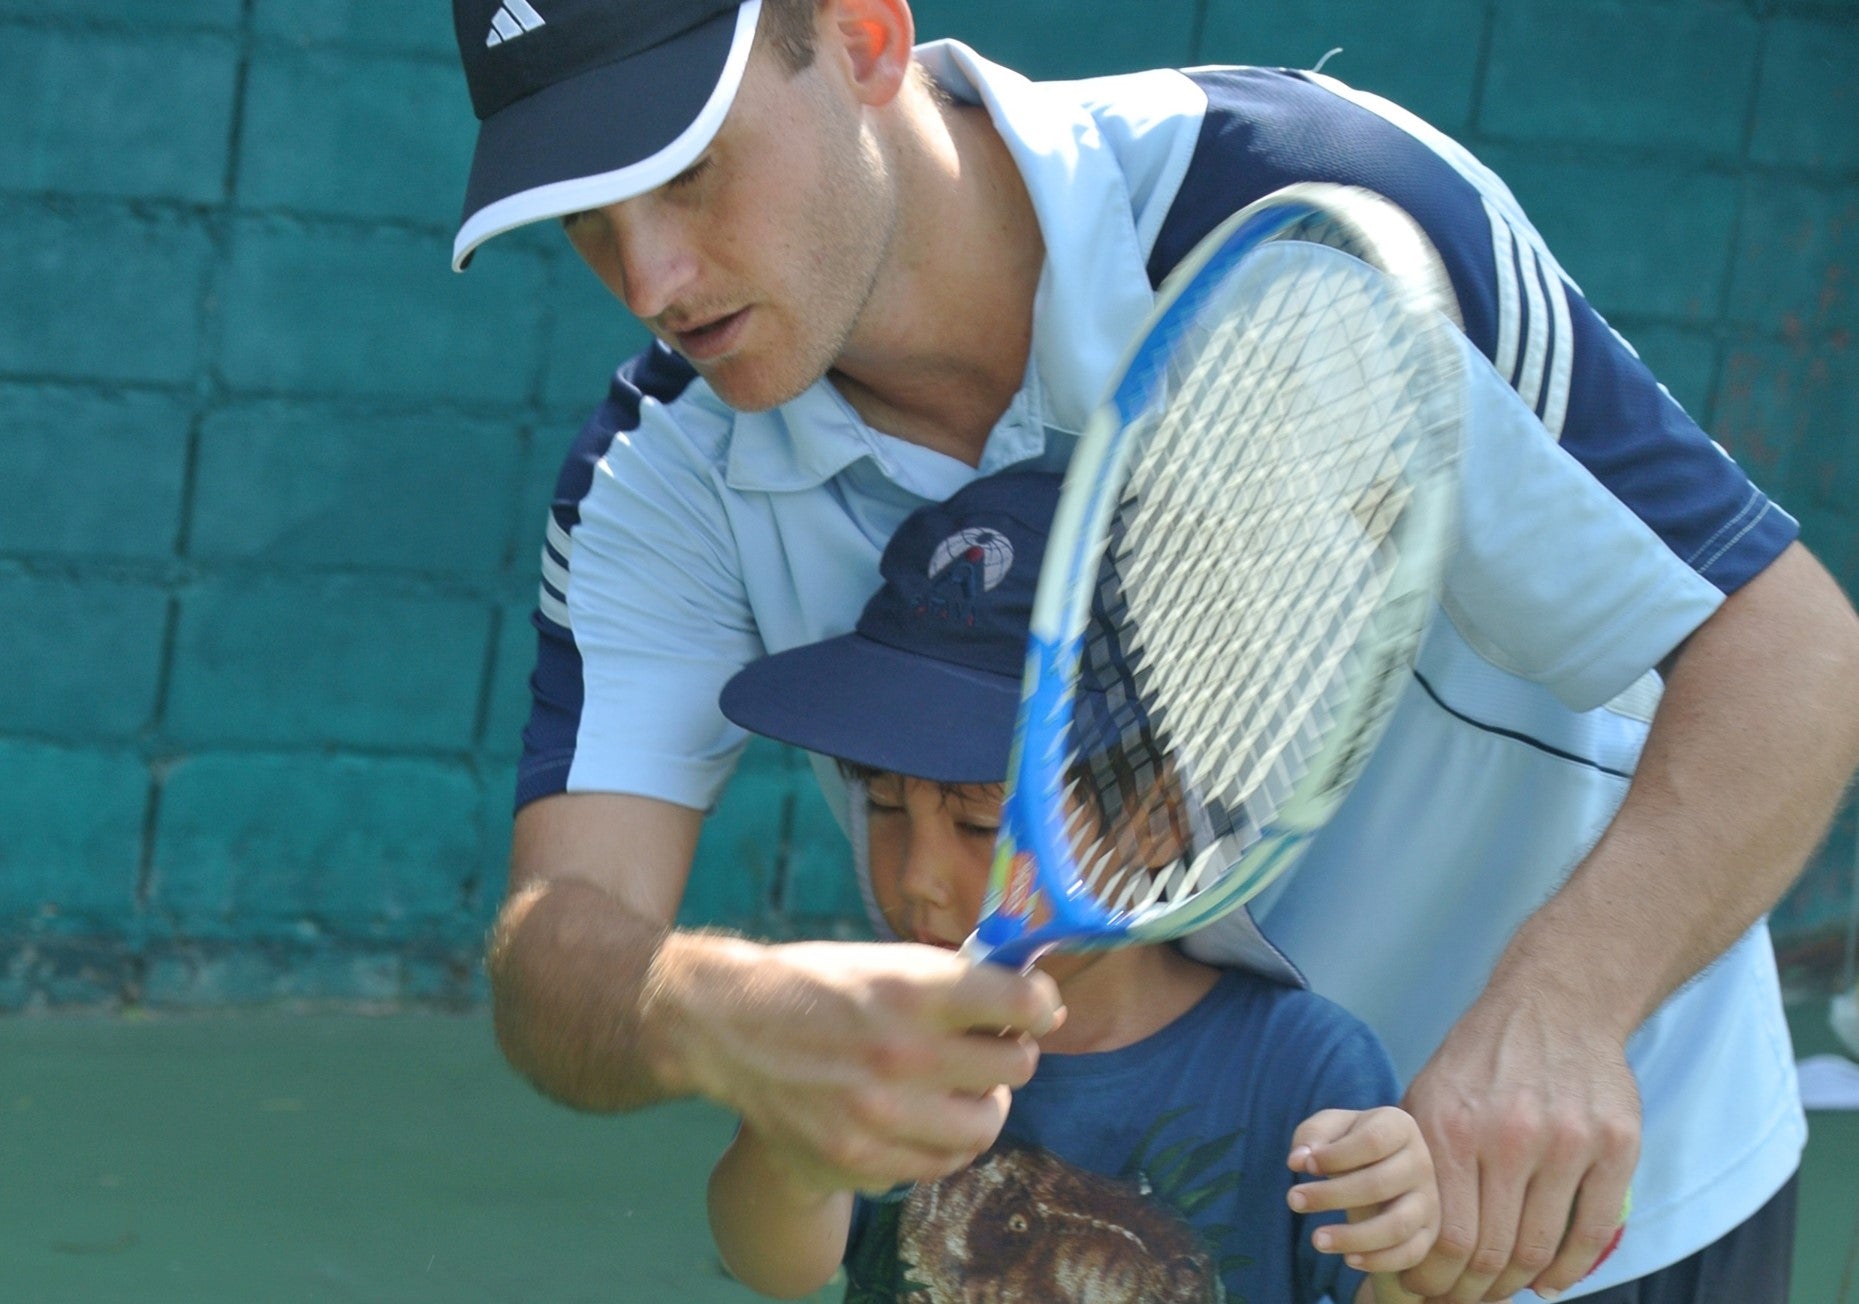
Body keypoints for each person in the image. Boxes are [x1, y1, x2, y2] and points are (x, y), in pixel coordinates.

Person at [448, 0, 1859, 1298]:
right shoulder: (657, 473)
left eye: (688, 170)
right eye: (585, 214)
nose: (647, 275)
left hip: (1569, 1201)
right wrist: (717, 1013)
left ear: (864, 36)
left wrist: (1562, 1006)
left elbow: (1788, 649)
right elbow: (556, 947)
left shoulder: (1315, 199)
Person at [708, 469, 1439, 1304]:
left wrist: (1409, 1256)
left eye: (980, 827)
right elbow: (774, 1264)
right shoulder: (876, 1026)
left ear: (1159, 819)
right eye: (880, 803)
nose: (916, 878)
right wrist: (790, 1146)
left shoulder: (1301, 1066)